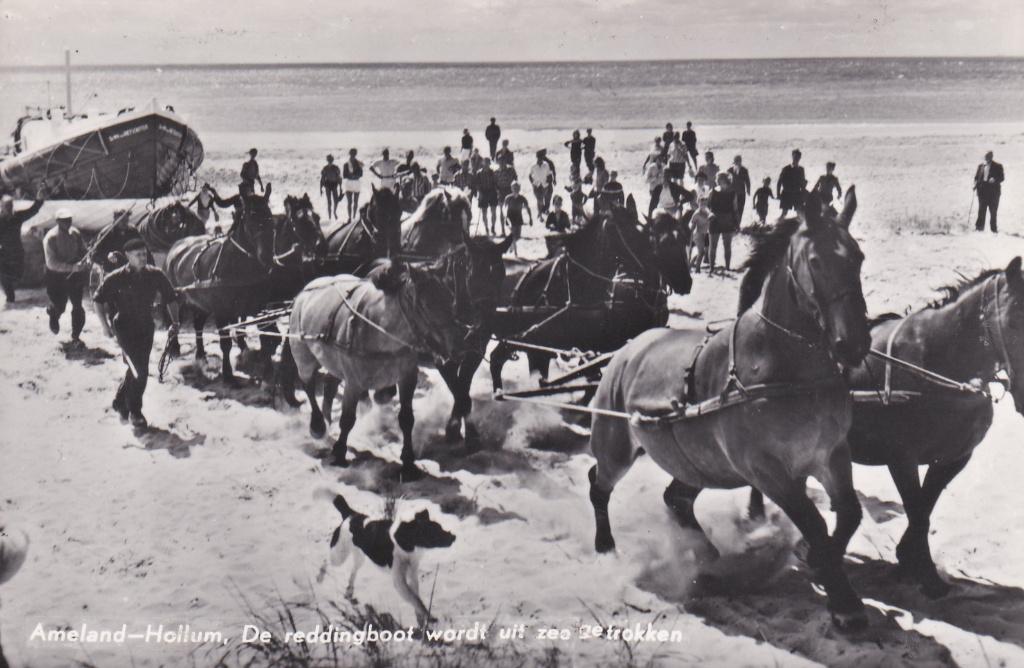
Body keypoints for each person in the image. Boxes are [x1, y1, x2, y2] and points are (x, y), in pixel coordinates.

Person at [93, 237, 181, 429]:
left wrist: (175, 322)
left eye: (144, 254)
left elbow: (171, 298)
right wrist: (104, 327)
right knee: (139, 370)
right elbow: (98, 300)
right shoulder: (116, 277)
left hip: (146, 326)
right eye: (138, 255)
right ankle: (135, 411)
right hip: (123, 326)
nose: (143, 258)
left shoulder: (156, 274)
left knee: (136, 368)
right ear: (128, 257)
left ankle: (119, 401)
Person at [43, 209, 88, 340]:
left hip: (74, 276)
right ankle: (53, 316)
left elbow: (83, 251)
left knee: (78, 306)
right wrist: (71, 267)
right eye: (64, 220)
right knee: (59, 306)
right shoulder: (51, 238)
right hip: (56, 277)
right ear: (57, 221)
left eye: (69, 219)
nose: (68, 222)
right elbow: (51, 263)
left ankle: (76, 335)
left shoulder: (75, 233)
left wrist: (86, 259)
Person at [0, 184, 45, 303]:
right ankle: (10, 297)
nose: (8, 209)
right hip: (3, 252)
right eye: (5, 206)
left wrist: (39, 198)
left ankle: (11, 291)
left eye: (10, 206)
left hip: (16, 251)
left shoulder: (17, 216)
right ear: (1, 207)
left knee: (17, 274)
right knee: (4, 276)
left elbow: (32, 210)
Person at [89, 208, 145, 273]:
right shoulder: (106, 233)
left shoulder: (133, 231)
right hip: (112, 270)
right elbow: (94, 255)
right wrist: (107, 256)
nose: (125, 223)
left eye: (126, 220)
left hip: (130, 270)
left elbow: (142, 247)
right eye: (122, 220)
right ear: (115, 219)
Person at [708, 172, 738, 272]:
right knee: (713, 246)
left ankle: (727, 267)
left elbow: (735, 209)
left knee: (726, 246)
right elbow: (707, 206)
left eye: (720, 179)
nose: (719, 181)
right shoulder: (712, 192)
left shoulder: (732, 193)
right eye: (719, 179)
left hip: (726, 220)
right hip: (716, 220)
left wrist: (736, 223)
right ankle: (712, 267)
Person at [974, 151, 1004, 233]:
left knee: (993, 211)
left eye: (987, 157)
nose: (986, 159)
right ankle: (979, 228)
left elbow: (1002, 178)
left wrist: (994, 179)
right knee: (981, 210)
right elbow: (976, 177)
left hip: (993, 193)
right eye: (985, 157)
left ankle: (993, 229)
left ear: (991, 157)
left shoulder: (998, 166)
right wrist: (975, 185)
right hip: (982, 192)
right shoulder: (981, 166)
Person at [501, 182, 532, 253]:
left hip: (518, 218)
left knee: (518, 236)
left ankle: (511, 246)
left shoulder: (522, 198)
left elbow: (528, 208)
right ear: (511, 188)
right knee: (513, 235)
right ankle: (515, 252)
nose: (516, 189)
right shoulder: (508, 198)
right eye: (514, 188)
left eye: (517, 188)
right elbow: (504, 207)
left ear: (520, 189)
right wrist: (505, 216)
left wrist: (530, 218)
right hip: (510, 218)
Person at [777, 149, 807, 216]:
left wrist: (804, 193)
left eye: (798, 157)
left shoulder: (801, 170)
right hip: (787, 193)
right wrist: (778, 194)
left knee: (800, 213)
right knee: (784, 213)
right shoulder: (786, 169)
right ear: (792, 157)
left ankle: (803, 226)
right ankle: (776, 225)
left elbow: (802, 183)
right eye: (795, 156)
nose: (796, 158)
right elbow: (779, 182)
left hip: (797, 193)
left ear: (800, 158)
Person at [474, 158, 499, 234]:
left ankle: (493, 227)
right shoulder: (479, 173)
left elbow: (496, 182)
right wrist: (480, 193)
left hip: (492, 192)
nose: (487, 164)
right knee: (484, 212)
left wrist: (496, 191)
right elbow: (477, 184)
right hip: (483, 193)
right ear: (483, 163)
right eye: (485, 163)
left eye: (488, 163)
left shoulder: (493, 172)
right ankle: (486, 227)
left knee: (493, 211)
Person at [689, 197, 711, 273]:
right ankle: (697, 269)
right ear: (698, 204)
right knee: (701, 252)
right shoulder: (696, 214)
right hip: (698, 234)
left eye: (705, 203)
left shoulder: (708, 212)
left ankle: (691, 264)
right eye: (701, 204)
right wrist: (691, 235)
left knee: (702, 252)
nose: (703, 205)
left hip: (705, 233)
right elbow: (692, 226)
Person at [529, 151, 554, 217]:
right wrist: (533, 183)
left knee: (543, 198)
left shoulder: (546, 165)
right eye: (539, 157)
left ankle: (542, 211)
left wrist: (548, 183)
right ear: (537, 157)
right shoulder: (533, 166)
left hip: (544, 185)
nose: (540, 159)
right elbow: (530, 175)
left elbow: (549, 174)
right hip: (536, 185)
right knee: (539, 199)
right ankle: (539, 213)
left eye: (541, 157)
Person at [728, 155, 751, 224]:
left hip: (741, 193)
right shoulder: (730, 170)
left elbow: (747, 180)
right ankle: (732, 223)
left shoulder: (744, 170)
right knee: (732, 208)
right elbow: (726, 180)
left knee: (740, 209)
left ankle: (738, 224)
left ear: (740, 162)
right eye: (735, 162)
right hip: (732, 193)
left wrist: (748, 189)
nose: (737, 163)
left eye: (738, 162)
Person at [342, 149, 364, 221]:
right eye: (352, 154)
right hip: (349, 183)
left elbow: (361, 174)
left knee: (355, 201)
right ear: (350, 154)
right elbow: (344, 175)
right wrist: (352, 176)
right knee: (349, 202)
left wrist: (354, 176)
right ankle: (349, 217)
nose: (353, 155)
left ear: (355, 154)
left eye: (354, 154)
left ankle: (354, 216)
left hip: (356, 183)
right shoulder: (346, 164)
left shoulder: (359, 163)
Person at [320, 154, 342, 220]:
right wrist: (320, 188)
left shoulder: (336, 168)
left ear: (332, 160)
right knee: (329, 202)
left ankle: (334, 212)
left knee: (336, 201)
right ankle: (329, 216)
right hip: (328, 186)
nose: (330, 161)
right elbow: (322, 178)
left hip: (334, 185)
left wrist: (340, 187)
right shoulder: (325, 168)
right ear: (327, 160)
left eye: (331, 160)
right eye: (329, 160)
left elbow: (339, 177)